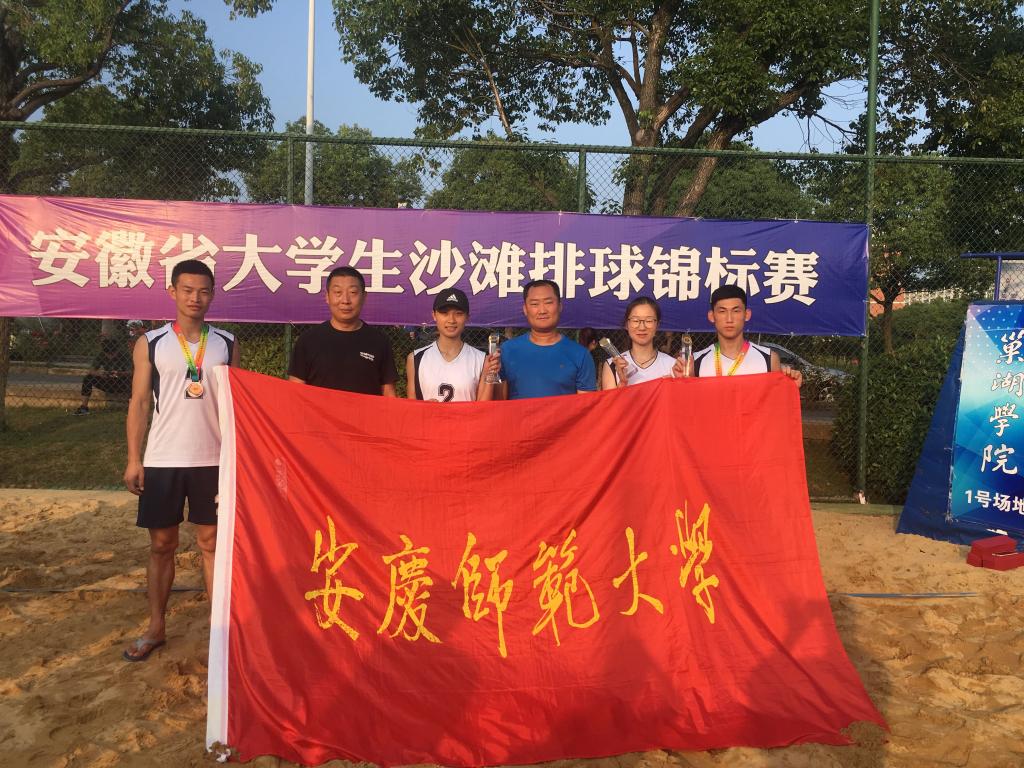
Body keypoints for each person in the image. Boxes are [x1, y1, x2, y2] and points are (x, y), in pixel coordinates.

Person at [122, 260, 239, 662]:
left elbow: (236, 405)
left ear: (212, 294)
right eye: (187, 290)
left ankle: (220, 632)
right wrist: (134, 458)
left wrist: (237, 458)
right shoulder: (151, 342)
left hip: (213, 460)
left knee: (212, 544)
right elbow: (139, 402)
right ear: (172, 292)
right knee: (161, 545)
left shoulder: (226, 343)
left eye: (203, 290)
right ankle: (156, 627)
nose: (195, 298)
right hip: (163, 459)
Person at [288, 266, 398, 396]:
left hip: (364, 410)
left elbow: (388, 392)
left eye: (353, 292)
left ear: (364, 297)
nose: (345, 300)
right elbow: (295, 391)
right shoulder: (308, 340)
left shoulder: (379, 341)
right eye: (338, 292)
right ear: (327, 297)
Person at [498, 279, 597, 399]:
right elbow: (498, 402)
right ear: (525, 309)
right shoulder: (507, 350)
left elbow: (586, 405)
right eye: (534, 304)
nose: (542, 310)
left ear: (559, 306)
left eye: (548, 302)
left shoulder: (580, 355)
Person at [693, 285, 802, 386]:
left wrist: (790, 387)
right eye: (722, 311)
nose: (729, 319)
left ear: (747, 314)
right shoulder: (696, 362)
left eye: (736, 311)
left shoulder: (769, 359)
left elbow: (776, 399)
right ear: (712, 316)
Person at [406, 288, 500, 402]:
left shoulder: (481, 359)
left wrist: (490, 374)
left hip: (467, 415)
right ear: (434, 315)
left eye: (458, 314)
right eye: (444, 313)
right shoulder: (415, 358)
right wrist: (425, 408)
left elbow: (483, 408)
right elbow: (412, 407)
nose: (451, 320)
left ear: (467, 317)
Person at [600, 297, 680, 389]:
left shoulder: (672, 366)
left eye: (649, 321)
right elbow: (609, 399)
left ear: (657, 325)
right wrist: (622, 383)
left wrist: (678, 384)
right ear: (626, 325)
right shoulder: (613, 365)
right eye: (635, 321)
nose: (642, 327)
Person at [72, 321, 145, 414]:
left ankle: (133, 407)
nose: (110, 356)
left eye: (112, 354)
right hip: (107, 381)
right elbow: (91, 370)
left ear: (117, 350)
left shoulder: (124, 355)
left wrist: (120, 373)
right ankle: (84, 407)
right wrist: (100, 374)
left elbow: (132, 372)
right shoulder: (101, 355)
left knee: (133, 380)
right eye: (108, 354)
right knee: (88, 378)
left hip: (121, 381)